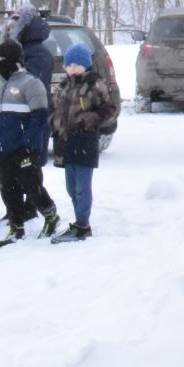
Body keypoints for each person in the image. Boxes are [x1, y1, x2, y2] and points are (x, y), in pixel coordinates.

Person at [0, 38, 60, 244]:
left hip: (25, 147)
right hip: (3, 147)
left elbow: (39, 118)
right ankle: (16, 226)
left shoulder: (31, 83)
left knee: (31, 186)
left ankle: (50, 215)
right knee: (7, 188)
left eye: (3, 60)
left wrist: (27, 143)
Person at [49, 43, 120, 243]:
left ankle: (82, 225)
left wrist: (88, 120)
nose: (72, 68)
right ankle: (78, 220)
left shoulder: (95, 84)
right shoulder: (64, 85)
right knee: (71, 187)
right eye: (69, 64)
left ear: (85, 65)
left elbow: (109, 109)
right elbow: (54, 106)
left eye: (76, 64)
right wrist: (53, 121)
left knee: (82, 185)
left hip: (84, 140)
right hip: (65, 140)